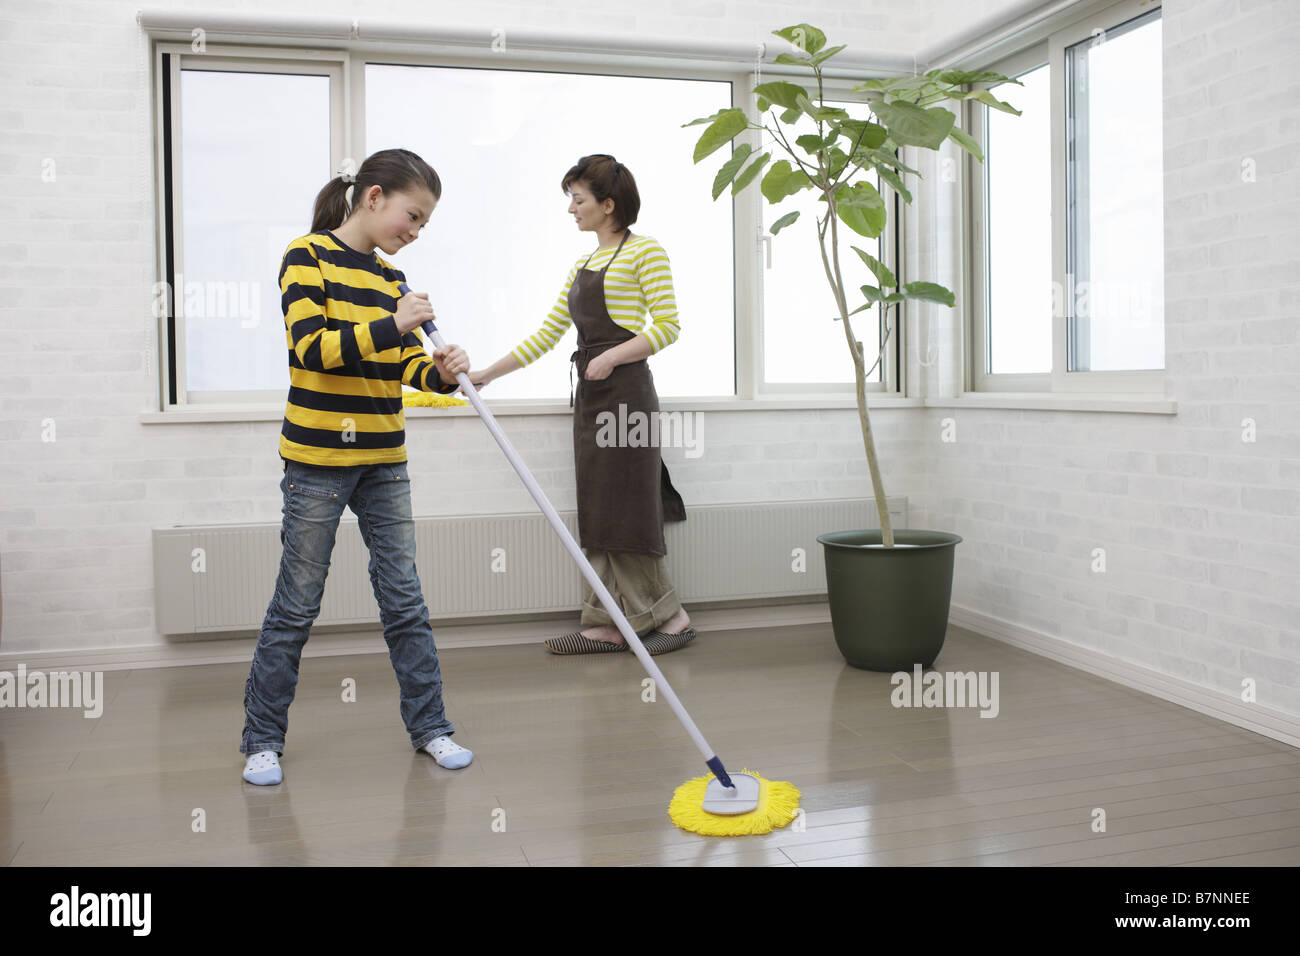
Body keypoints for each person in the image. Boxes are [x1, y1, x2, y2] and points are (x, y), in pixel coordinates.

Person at [240, 148, 474, 785]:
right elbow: (313, 351)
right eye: (412, 215)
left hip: (383, 459)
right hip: (316, 460)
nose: (415, 231)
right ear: (373, 197)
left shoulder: (393, 281)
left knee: (404, 601)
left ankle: (431, 727)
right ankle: (262, 740)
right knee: (297, 603)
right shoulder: (304, 257)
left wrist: (442, 374)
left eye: (424, 224)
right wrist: (391, 322)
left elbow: (398, 367)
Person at [469, 154, 696, 656]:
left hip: (628, 395)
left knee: (630, 507)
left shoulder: (646, 252)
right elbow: (549, 334)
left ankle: (671, 617)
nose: (571, 210)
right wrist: (487, 373)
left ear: (608, 205)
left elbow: (668, 326)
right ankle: (605, 622)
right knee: (598, 507)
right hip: (591, 397)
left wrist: (612, 356)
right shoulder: (582, 263)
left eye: (578, 200)